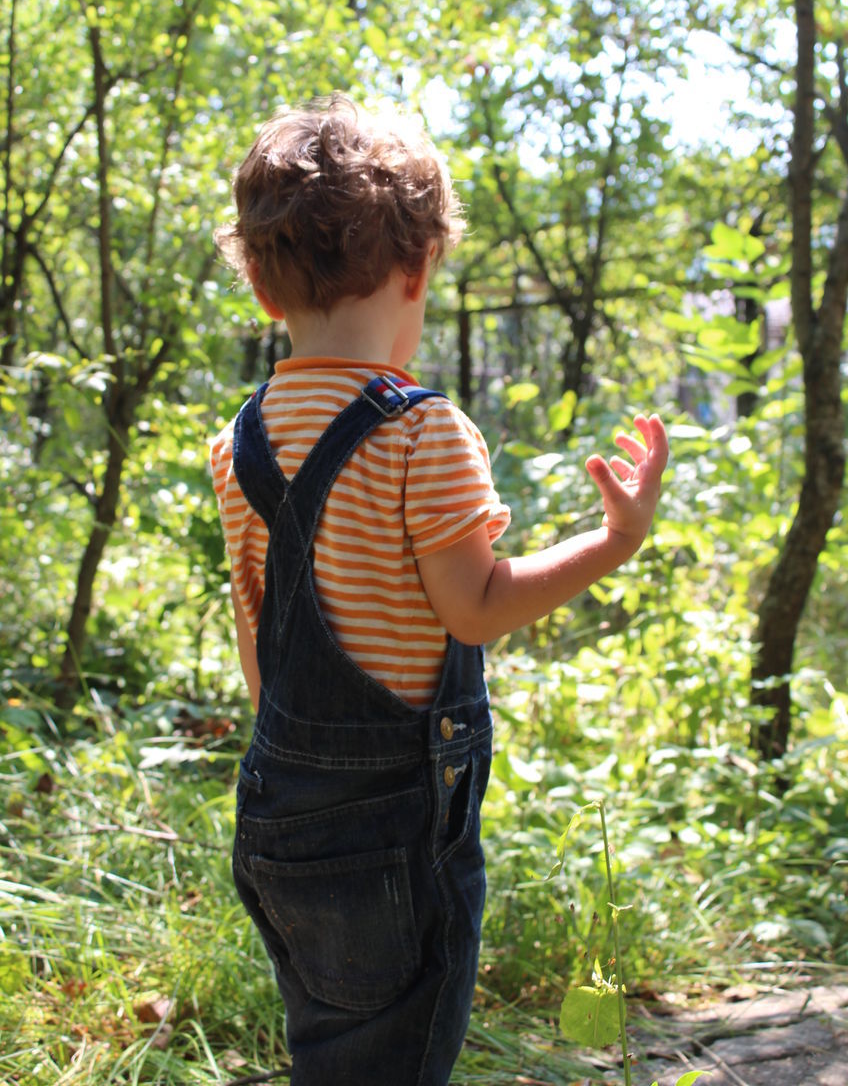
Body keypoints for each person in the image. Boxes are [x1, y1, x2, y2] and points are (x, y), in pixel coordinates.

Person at [210, 94, 668, 1086]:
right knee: (398, 1058)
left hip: (276, 814)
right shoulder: (422, 431)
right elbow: (477, 606)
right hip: (392, 830)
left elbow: (259, 638)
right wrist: (613, 539)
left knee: (331, 1046)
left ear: (260, 288)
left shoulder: (237, 442)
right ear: (418, 269)